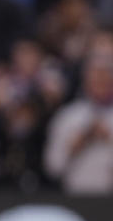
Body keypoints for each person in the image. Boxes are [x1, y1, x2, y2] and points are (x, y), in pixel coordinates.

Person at [44, 33, 113, 194]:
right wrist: (75, 145)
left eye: (106, 73)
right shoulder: (68, 116)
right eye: (95, 74)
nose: (101, 79)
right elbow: (52, 167)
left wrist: (108, 137)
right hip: (77, 200)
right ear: (86, 78)